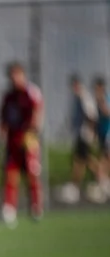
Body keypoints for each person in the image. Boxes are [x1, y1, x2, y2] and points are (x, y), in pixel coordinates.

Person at [0, 62, 43, 227]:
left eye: (17, 75)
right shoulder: (8, 96)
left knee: (32, 173)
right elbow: (3, 118)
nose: (14, 79)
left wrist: (32, 131)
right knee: (10, 173)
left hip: (28, 139)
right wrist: (1, 133)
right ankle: (9, 208)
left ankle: (36, 206)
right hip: (13, 141)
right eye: (12, 76)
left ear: (23, 75)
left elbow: (37, 112)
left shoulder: (31, 92)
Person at [58, 74, 104, 205]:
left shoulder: (84, 97)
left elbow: (92, 116)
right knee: (80, 160)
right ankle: (76, 186)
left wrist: (92, 133)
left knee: (83, 159)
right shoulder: (78, 97)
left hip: (85, 134)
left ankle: (101, 180)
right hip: (80, 133)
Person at [92, 76, 110, 196]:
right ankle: (104, 182)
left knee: (105, 159)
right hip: (101, 133)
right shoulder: (96, 100)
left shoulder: (105, 98)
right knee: (104, 158)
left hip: (108, 133)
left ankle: (104, 182)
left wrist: (101, 103)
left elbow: (107, 112)